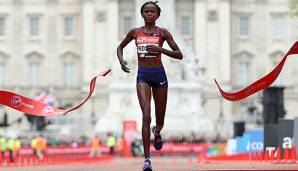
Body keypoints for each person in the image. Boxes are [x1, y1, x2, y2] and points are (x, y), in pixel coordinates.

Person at [116, 1, 183, 170]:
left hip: (159, 76)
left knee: (159, 120)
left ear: (158, 15)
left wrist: (160, 50)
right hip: (143, 76)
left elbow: (179, 54)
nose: (150, 14)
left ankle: (157, 132)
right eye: (147, 11)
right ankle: (147, 160)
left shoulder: (163, 33)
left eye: (153, 11)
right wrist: (121, 61)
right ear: (142, 14)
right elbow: (120, 47)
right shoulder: (135, 32)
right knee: (146, 114)